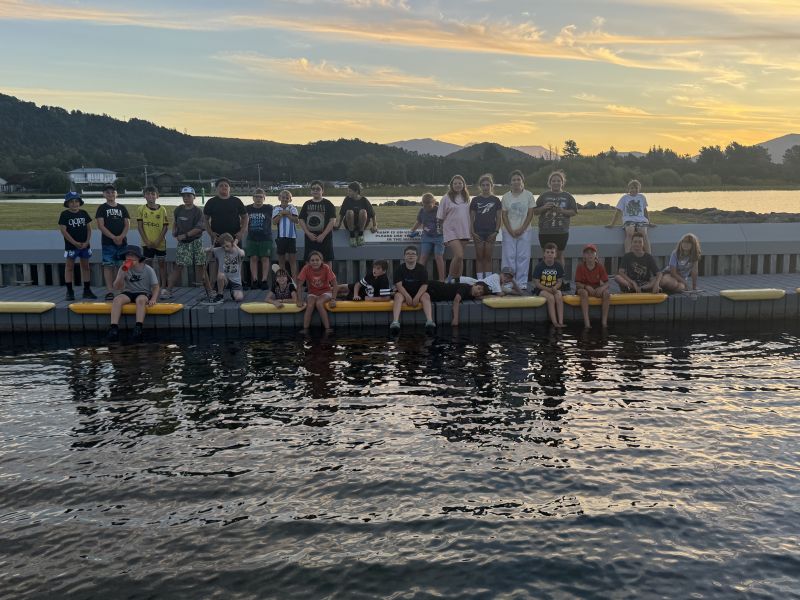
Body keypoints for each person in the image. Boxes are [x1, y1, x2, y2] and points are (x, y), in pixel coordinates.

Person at [165, 186, 212, 299]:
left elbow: (199, 228)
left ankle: (209, 291)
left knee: (201, 266)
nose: (186, 198)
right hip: (183, 243)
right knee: (178, 266)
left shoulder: (198, 211)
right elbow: (175, 222)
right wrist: (174, 231)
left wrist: (185, 235)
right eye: (184, 196)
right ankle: (168, 291)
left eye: (188, 196)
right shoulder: (178, 209)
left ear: (194, 197)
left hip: (196, 242)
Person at [106, 245, 159, 343]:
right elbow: (117, 287)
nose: (129, 257)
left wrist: (153, 299)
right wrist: (122, 274)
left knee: (140, 300)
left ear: (138, 258)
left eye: (132, 255)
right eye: (127, 255)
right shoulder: (123, 268)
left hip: (144, 292)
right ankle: (113, 328)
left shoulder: (148, 269)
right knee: (117, 299)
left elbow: (155, 287)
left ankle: (138, 327)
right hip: (129, 292)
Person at [204, 177, 248, 281]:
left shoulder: (236, 201)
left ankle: (238, 283)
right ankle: (216, 283)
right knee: (217, 261)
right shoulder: (211, 202)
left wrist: (241, 232)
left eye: (226, 185)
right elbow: (205, 219)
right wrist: (211, 233)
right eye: (221, 185)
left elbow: (245, 217)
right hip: (218, 238)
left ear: (229, 188)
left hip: (234, 237)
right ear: (216, 188)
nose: (224, 187)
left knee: (237, 260)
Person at [534, 170, 578, 269]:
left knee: (559, 256)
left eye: (558, 181)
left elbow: (574, 212)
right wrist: (544, 207)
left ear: (562, 182)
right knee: (546, 256)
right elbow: (534, 211)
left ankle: (559, 277)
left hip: (561, 231)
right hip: (545, 231)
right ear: (550, 183)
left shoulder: (568, 196)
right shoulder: (543, 196)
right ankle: (545, 276)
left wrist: (562, 211)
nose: (556, 183)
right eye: (553, 181)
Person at [58, 191, 97, 300]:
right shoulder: (64, 214)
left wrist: (87, 241)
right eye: (71, 202)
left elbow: (89, 229)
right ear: (67, 203)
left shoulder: (84, 213)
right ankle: (69, 291)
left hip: (84, 245)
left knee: (85, 267)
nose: (74, 204)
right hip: (71, 246)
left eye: (76, 201)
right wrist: (74, 242)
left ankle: (87, 290)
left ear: (79, 202)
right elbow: (63, 231)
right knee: (69, 267)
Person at [501, 170, 535, 290]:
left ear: (522, 181)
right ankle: (508, 282)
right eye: (514, 180)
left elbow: (530, 214)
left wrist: (522, 228)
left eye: (518, 179)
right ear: (510, 182)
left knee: (523, 257)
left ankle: (521, 282)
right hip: (508, 231)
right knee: (509, 257)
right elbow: (504, 215)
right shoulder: (506, 197)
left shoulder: (529, 195)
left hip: (525, 231)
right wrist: (510, 230)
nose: (516, 182)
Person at [95, 183, 130, 301]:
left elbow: (127, 224)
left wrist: (121, 237)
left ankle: (121, 289)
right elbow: (101, 225)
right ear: (104, 194)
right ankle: (110, 290)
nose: (110, 194)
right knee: (108, 266)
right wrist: (113, 237)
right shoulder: (102, 208)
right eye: (108, 192)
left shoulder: (122, 208)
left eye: (112, 192)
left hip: (122, 243)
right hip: (108, 243)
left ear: (116, 194)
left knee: (123, 266)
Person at [390, 245, 435, 333]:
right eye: (408, 254)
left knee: (426, 296)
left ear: (417, 257)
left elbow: (424, 285)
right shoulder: (399, 269)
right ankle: (395, 322)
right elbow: (399, 286)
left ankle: (429, 321)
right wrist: (407, 296)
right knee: (397, 296)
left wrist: (417, 297)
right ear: (404, 256)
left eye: (413, 254)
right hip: (403, 293)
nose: (410, 255)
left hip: (418, 293)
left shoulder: (422, 269)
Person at [607, 179, 654, 253]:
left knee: (643, 233)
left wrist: (649, 222)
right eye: (632, 188)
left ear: (639, 189)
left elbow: (645, 210)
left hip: (641, 220)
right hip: (629, 220)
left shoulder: (642, 197)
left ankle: (648, 255)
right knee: (630, 233)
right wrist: (612, 224)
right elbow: (618, 211)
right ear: (629, 189)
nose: (634, 190)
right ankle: (627, 254)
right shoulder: (624, 198)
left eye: (636, 188)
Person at [136, 185, 169, 291]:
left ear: (157, 196)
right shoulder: (141, 209)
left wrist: (158, 240)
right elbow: (140, 227)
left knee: (162, 265)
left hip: (160, 243)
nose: (150, 196)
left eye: (153, 194)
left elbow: (165, 227)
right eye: (148, 194)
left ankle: (163, 287)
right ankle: (149, 287)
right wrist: (146, 241)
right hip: (147, 243)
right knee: (148, 266)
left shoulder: (162, 209)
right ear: (144, 196)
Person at [470, 173, 502, 279]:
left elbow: (499, 218)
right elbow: (471, 218)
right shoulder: (475, 200)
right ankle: (480, 280)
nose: (485, 187)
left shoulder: (496, 200)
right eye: (483, 185)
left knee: (488, 257)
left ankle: (487, 280)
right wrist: (472, 232)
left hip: (491, 232)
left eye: (487, 185)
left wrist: (496, 232)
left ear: (491, 186)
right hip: (478, 232)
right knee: (479, 257)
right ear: (480, 186)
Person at [296, 250, 337, 333]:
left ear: (321, 260)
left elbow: (335, 284)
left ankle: (327, 329)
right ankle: (305, 329)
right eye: (312, 260)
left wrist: (333, 299)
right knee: (310, 305)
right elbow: (299, 285)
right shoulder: (306, 268)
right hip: (312, 293)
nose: (315, 262)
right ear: (309, 262)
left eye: (317, 260)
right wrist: (299, 300)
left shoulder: (326, 267)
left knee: (319, 303)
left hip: (326, 292)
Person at [299, 180, 337, 263]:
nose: (315, 191)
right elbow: (301, 219)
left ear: (322, 191)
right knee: (309, 261)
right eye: (313, 189)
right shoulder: (306, 204)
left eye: (318, 189)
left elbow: (333, 220)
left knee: (327, 260)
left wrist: (323, 235)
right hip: (310, 238)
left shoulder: (328, 204)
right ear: (311, 191)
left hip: (325, 238)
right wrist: (308, 233)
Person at [410, 192, 445, 281]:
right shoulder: (422, 211)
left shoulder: (439, 210)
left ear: (434, 202)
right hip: (426, 237)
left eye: (428, 203)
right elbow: (419, 222)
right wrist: (412, 230)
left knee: (438, 257)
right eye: (424, 203)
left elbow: (445, 223)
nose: (426, 205)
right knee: (423, 257)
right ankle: (418, 278)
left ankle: (442, 280)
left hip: (439, 237)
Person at [575, 243, 610, 328]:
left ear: (596, 255)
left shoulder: (600, 266)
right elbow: (577, 283)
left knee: (607, 293)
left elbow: (607, 283)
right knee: (584, 293)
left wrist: (602, 288)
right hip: (584, 288)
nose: (590, 255)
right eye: (587, 253)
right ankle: (587, 323)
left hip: (596, 289)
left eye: (592, 252)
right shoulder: (580, 267)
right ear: (584, 256)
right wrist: (586, 287)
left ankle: (604, 322)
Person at [245, 188, 273, 290]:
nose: (258, 199)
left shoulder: (269, 208)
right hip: (251, 237)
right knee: (253, 258)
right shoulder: (247, 208)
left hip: (266, 237)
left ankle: (264, 280)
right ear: (253, 198)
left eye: (260, 197)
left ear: (264, 198)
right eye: (256, 196)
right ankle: (255, 280)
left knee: (265, 258)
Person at [532, 242, 565, 327]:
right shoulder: (539, 266)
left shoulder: (558, 266)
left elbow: (560, 281)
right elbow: (537, 283)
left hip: (554, 288)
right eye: (547, 252)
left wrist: (555, 287)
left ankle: (561, 322)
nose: (550, 254)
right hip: (542, 289)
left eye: (552, 252)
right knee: (550, 298)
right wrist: (548, 289)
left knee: (559, 295)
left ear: (555, 255)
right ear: (544, 254)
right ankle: (554, 322)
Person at [338, 181, 376, 246]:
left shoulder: (364, 200)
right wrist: (338, 225)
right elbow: (342, 213)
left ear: (356, 191)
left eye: (350, 191)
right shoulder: (347, 199)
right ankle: (352, 236)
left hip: (361, 224)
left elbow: (373, 214)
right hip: (350, 224)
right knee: (349, 212)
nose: (348, 192)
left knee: (363, 211)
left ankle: (360, 235)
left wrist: (375, 225)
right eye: (348, 191)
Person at [210, 233, 245, 303]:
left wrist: (235, 245)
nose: (225, 248)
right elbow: (207, 250)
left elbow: (242, 254)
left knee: (239, 298)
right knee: (221, 275)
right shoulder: (219, 250)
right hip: (224, 279)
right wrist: (211, 247)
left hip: (235, 281)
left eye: (227, 246)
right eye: (223, 247)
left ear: (232, 243)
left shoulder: (238, 251)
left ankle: (233, 292)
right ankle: (220, 294)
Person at [272, 189, 300, 278]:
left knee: (292, 260)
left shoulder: (293, 208)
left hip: (291, 237)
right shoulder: (276, 209)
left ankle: (294, 281)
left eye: (287, 198)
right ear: (279, 198)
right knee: (281, 260)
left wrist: (288, 214)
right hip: (281, 237)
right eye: (283, 197)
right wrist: (281, 214)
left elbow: (296, 220)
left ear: (290, 199)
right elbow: (274, 222)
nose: (285, 199)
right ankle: (282, 279)